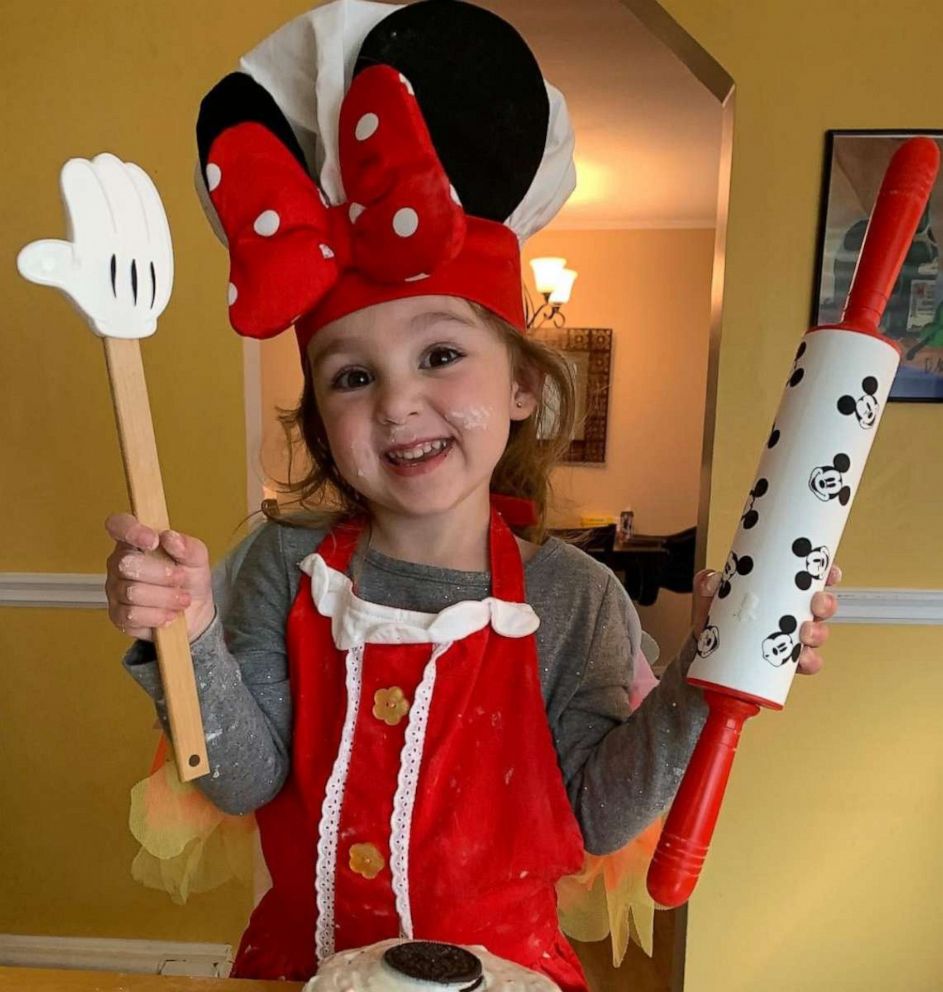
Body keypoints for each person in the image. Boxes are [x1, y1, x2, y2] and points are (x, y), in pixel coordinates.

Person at [103, 2, 839, 988]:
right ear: (321, 419)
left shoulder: (575, 598)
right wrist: (185, 633)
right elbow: (246, 775)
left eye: (441, 354)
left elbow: (593, 814)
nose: (400, 402)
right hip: (305, 967)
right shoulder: (281, 566)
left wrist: (711, 669)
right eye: (351, 376)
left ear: (523, 384)